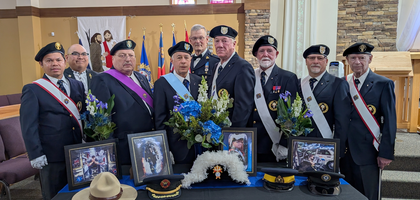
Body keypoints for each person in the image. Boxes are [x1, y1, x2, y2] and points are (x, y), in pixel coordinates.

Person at [20, 42, 85, 200]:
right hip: (52, 155)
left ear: (65, 61)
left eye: (58, 60)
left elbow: (83, 115)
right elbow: (29, 125)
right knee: (54, 195)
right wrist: (35, 153)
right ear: (42, 64)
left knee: (79, 193)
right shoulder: (33, 89)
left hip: (77, 151)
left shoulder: (77, 85)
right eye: (49, 61)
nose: (55, 64)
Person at [340, 42, 396, 200]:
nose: (357, 62)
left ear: (370, 59)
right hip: (344, 152)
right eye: (353, 58)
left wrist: (386, 153)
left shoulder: (383, 84)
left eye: (361, 58)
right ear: (347, 61)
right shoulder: (343, 83)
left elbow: (390, 122)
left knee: (368, 195)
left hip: (368, 152)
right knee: (345, 194)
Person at [91, 39, 154, 165]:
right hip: (124, 145)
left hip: (148, 140)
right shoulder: (102, 80)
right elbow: (102, 119)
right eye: (122, 55)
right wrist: (109, 149)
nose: (127, 59)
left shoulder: (141, 77)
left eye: (131, 55)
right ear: (112, 59)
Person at [250, 35, 299, 162]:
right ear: (256, 54)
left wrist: (284, 143)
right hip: (250, 142)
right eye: (261, 51)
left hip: (273, 144)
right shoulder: (249, 76)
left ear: (276, 54)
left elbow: (292, 114)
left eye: (270, 51)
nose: (265, 54)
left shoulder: (288, 78)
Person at [300, 44, 351, 157]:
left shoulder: (338, 84)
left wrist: (338, 149)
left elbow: (342, 121)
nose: (316, 61)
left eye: (320, 58)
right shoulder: (299, 83)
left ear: (326, 61)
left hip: (325, 146)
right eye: (312, 58)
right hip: (301, 146)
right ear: (306, 61)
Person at [154, 41, 200, 164]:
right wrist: (164, 149)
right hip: (176, 147)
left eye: (186, 57)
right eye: (179, 58)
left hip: (199, 145)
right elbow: (160, 119)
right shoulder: (162, 83)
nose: (183, 61)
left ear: (190, 60)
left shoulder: (199, 81)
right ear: (172, 61)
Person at [208, 25, 255, 127]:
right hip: (214, 128)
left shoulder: (243, 67)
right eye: (216, 41)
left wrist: (234, 133)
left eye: (224, 41)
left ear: (234, 44)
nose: (220, 45)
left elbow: (243, 106)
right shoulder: (216, 66)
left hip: (230, 131)